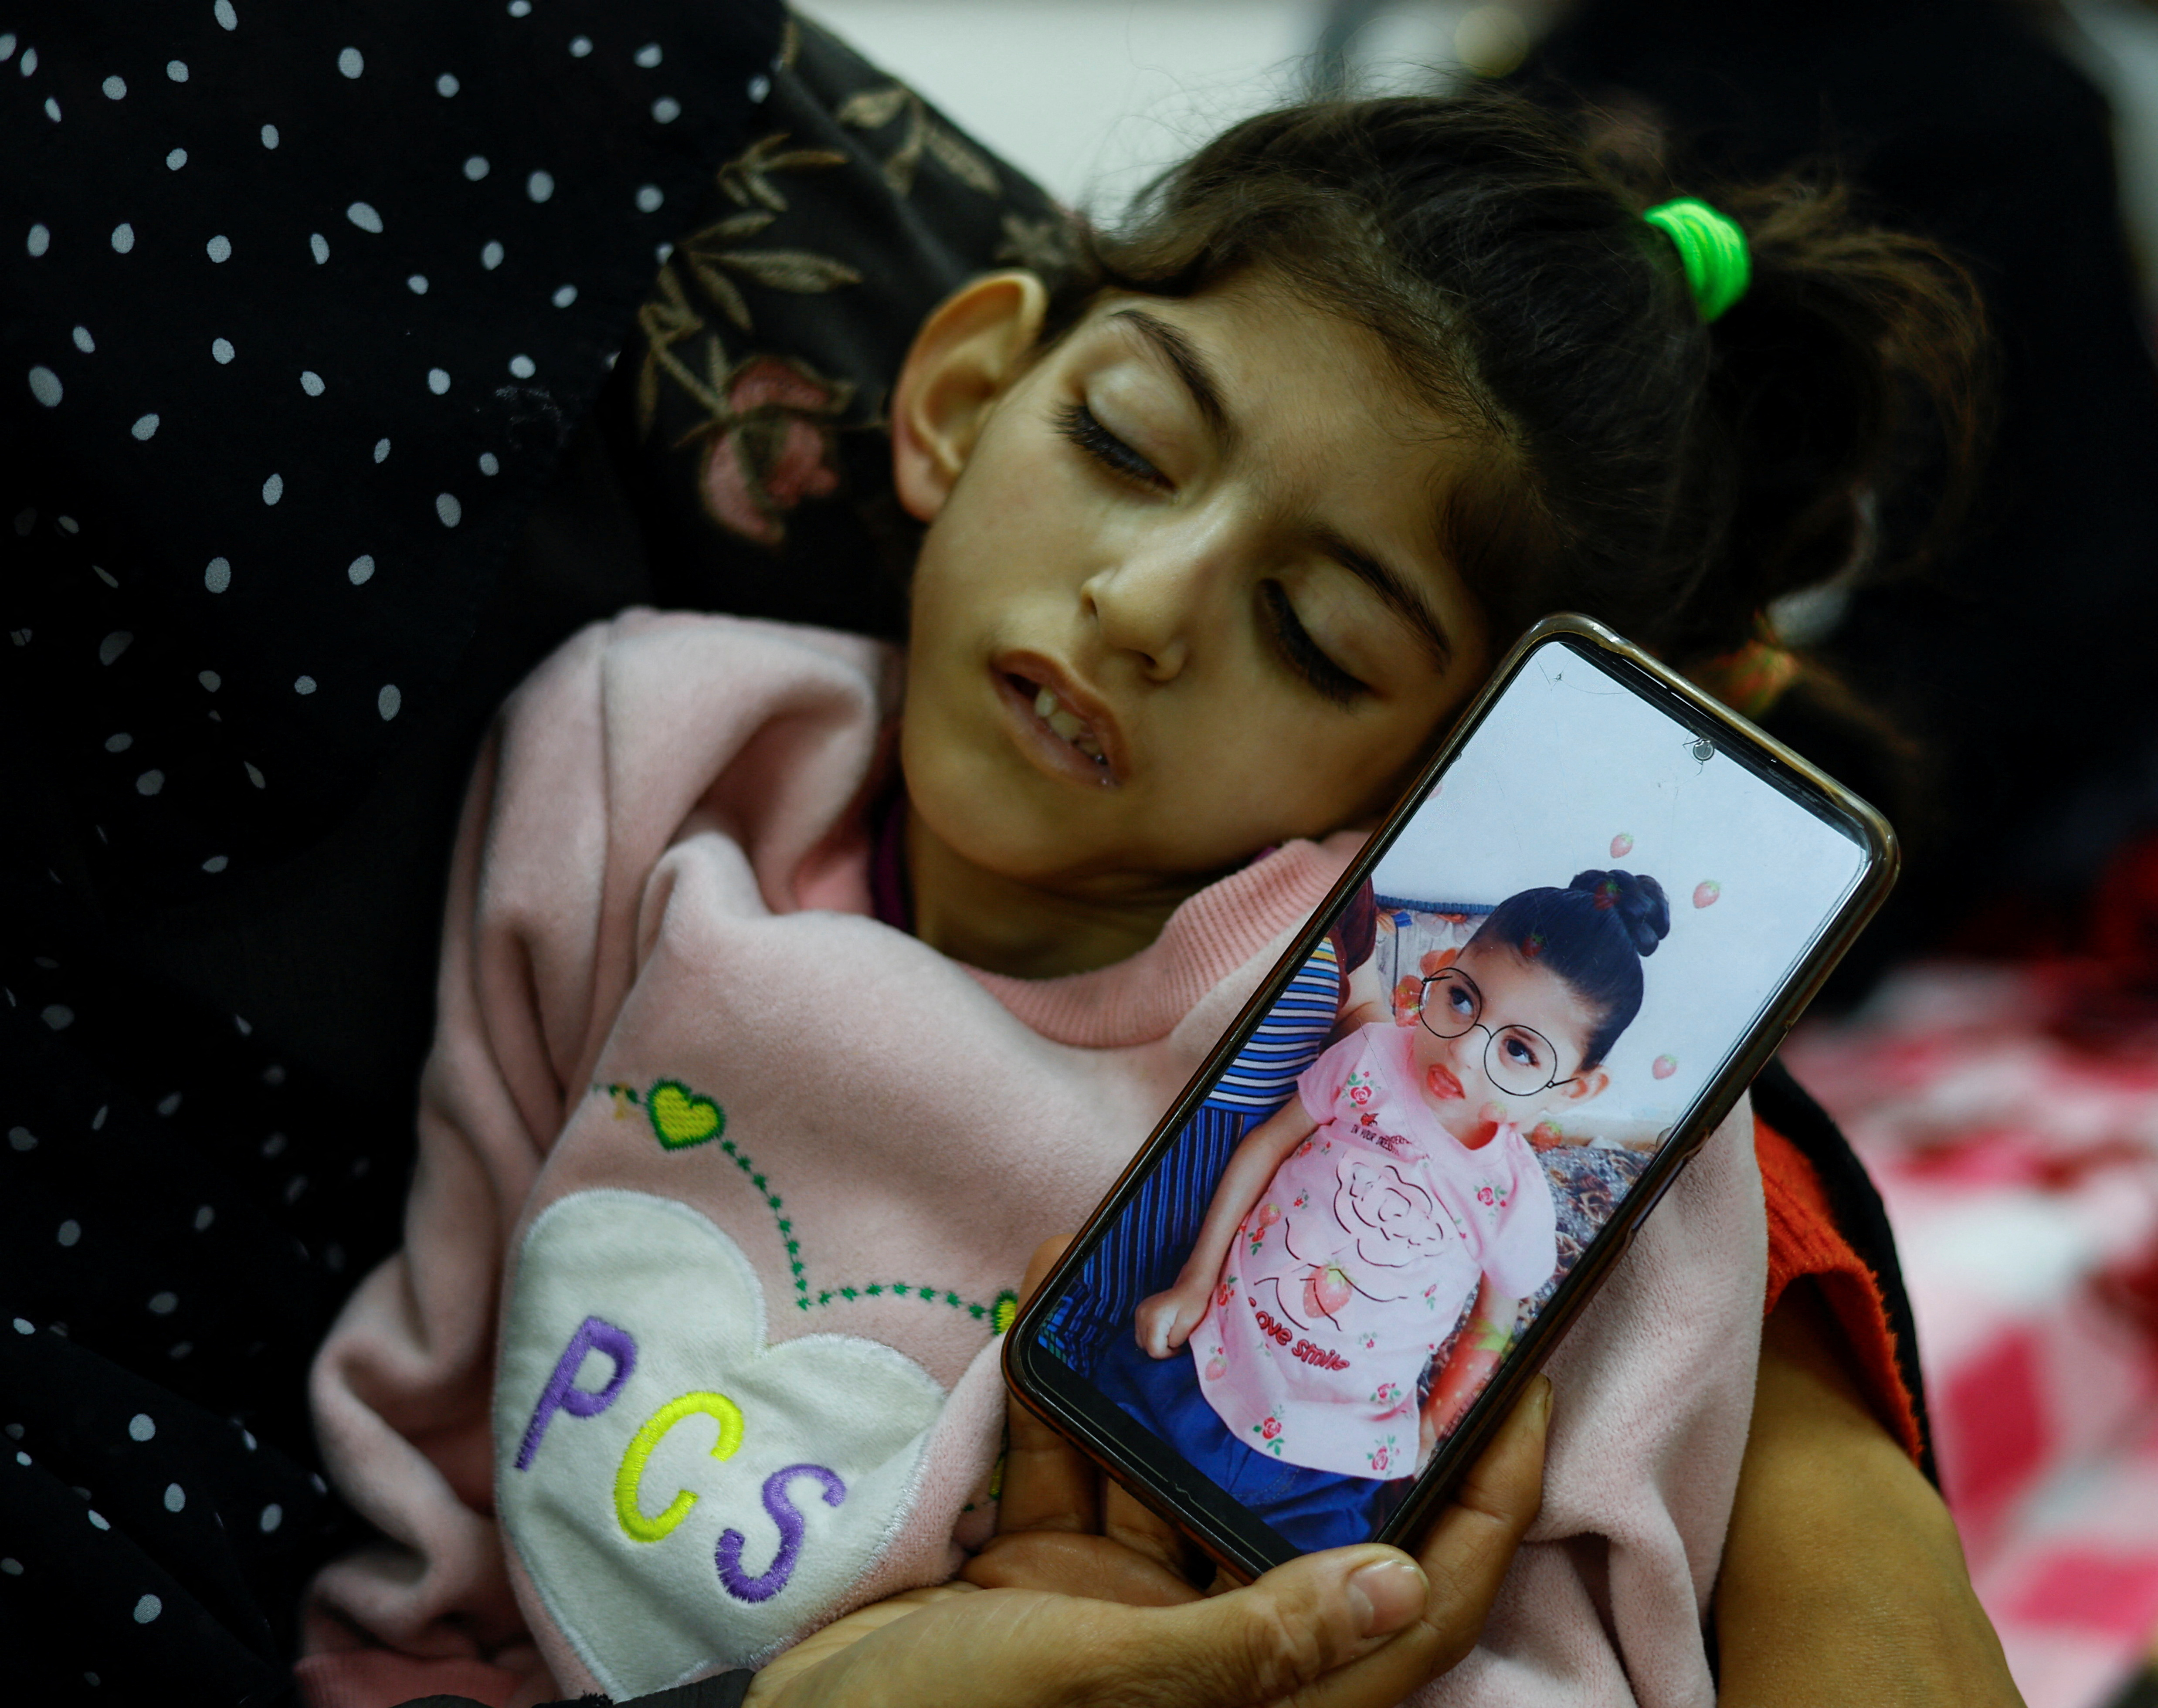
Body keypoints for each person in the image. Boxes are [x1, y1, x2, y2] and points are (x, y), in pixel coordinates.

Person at [295, 84, 2003, 1708]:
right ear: (965, 390)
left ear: (1444, 778)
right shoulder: (650, 764)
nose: (1140, 602)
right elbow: (425, 1466)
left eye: (1312, 636)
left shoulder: (1421, 1058)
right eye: (1123, 443)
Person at [1110, 872, 1665, 1546]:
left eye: (1518, 1050)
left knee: (1312, 1590)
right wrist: (1195, 1281)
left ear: (1574, 1089)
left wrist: (1433, 1425)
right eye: (1463, 999)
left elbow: (1493, 1327)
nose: (1463, 1051)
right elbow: (1267, 1145)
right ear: (1446, 967)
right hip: (1208, 1359)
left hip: (1333, 1461)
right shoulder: (1371, 1059)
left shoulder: (1517, 1200)